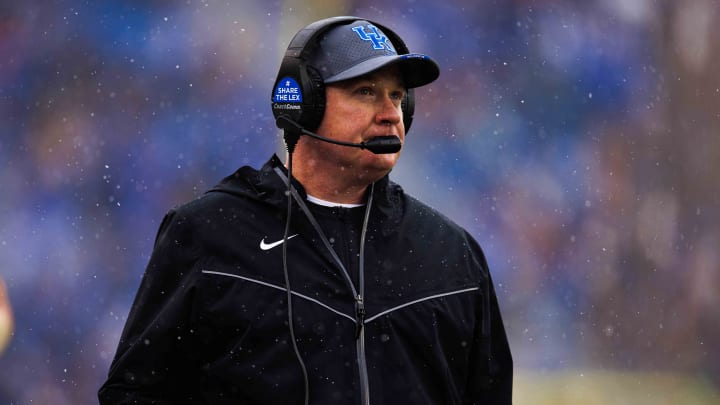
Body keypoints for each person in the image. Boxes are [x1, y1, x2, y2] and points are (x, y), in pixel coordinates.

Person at [99, 16, 512, 404]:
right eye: (365, 92)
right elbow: (135, 393)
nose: (390, 114)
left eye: (397, 96)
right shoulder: (208, 235)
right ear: (303, 103)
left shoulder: (452, 255)